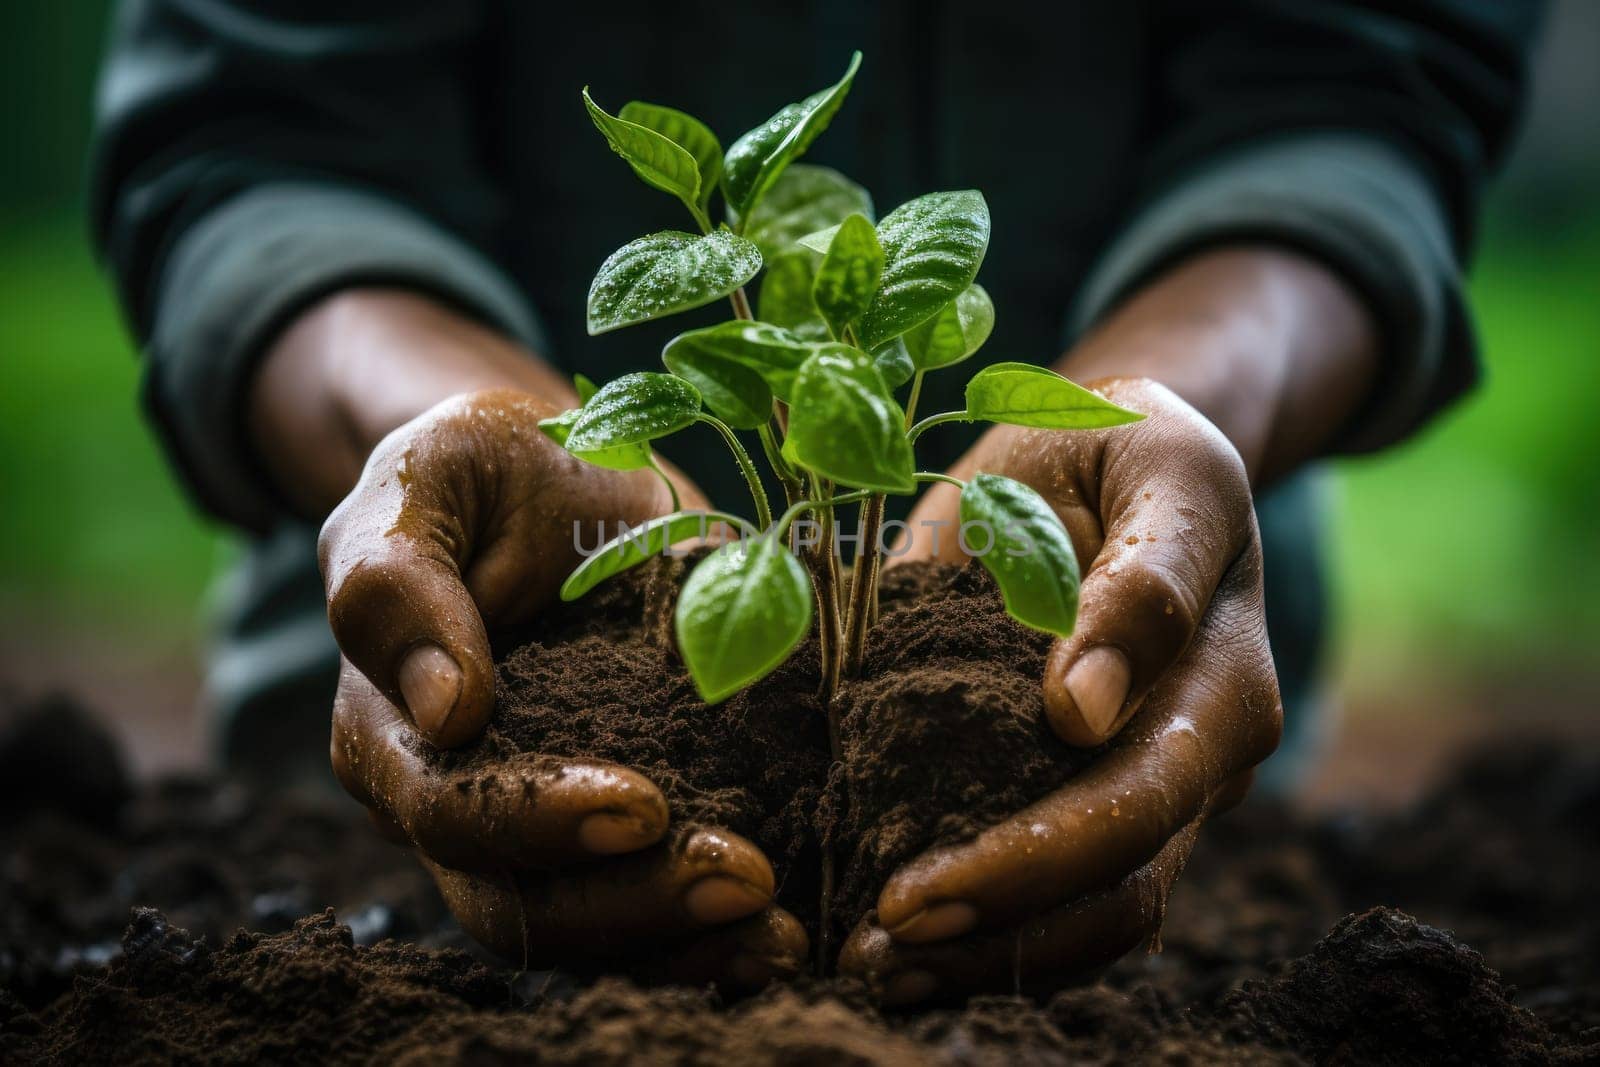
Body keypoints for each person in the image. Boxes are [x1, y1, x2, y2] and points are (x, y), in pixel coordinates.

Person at [89, 0, 1539, 1002]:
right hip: (371, 844)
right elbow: (258, 141)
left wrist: (1161, 411)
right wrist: (483, 432)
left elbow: (1360, 86)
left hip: (1184, 834)